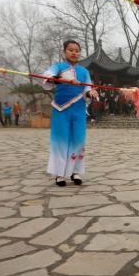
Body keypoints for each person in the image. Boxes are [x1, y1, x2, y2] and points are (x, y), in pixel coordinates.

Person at [42, 40, 99, 187]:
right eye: (71, 50)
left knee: (78, 141)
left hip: (79, 110)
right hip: (61, 109)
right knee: (61, 141)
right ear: (64, 52)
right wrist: (59, 79)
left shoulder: (84, 72)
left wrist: (91, 92)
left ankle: (75, 172)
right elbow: (48, 77)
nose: (74, 53)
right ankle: (59, 174)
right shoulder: (58, 67)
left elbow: (87, 88)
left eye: (77, 50)